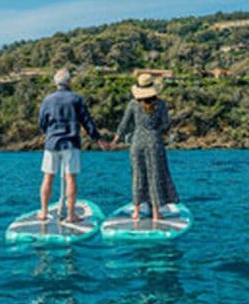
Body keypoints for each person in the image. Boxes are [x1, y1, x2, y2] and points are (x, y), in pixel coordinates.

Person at [38, 68, 108, 222]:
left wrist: (48, 133)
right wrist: (98, 139)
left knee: (48, 177)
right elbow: (87, 122)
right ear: (69, 82)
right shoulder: (76, 99)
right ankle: (71, 215)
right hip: (71, 143)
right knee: (70, 178)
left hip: (52, 143)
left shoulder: (47, 100)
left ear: (56, 83)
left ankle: (43, 212)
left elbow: (42, 123)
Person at [111, 74, 179, 221]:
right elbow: (166, 125)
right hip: (155, 142)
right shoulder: (160, 105)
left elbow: (124, 124)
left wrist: (115, 140)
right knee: (155, 176)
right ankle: (156, 213)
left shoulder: (133, 104)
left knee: (138, 176)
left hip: (137, 142)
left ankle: (136, 212)